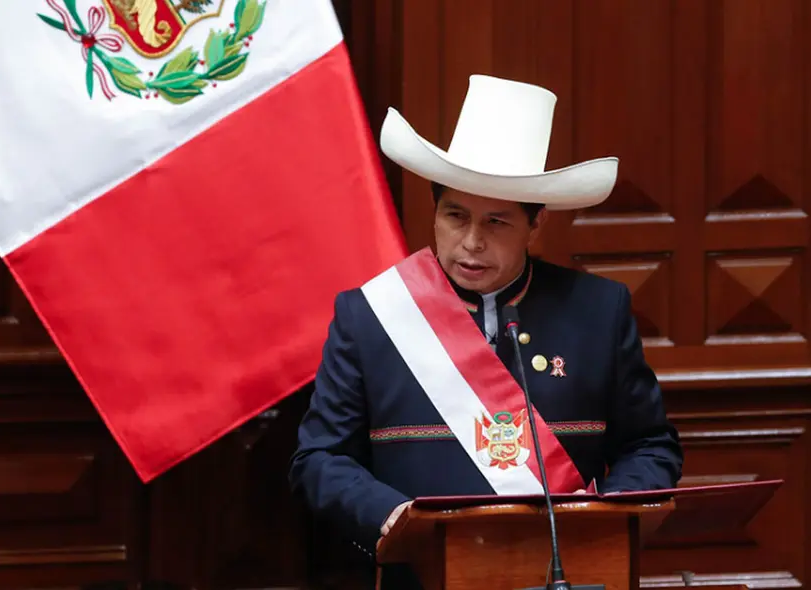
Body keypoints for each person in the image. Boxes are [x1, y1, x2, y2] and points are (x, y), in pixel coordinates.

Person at [287, 74, 683, 588]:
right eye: (456, 216)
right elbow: (320, 459)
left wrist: (605, 518)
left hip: (563, 577)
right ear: (434, 212)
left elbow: (649, 446)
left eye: (496, 222)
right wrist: (394, 518)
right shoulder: (370, 316)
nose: (471, 242)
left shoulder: (598, 311)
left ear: (535, 225)